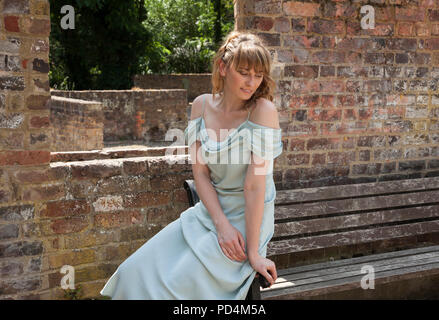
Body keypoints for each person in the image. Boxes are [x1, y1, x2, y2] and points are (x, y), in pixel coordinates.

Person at [100, 30, 283, 300]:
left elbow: (254, 186)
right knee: (133, 272)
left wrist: (254, 253)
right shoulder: (201, 106)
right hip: (211, 213)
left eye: (258, 75)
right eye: (244, 71)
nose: (251, 82)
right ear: (222, 67)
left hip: (248, 221)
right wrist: (221, 225)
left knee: (174, 288)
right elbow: (201, 174)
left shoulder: (262, 111)